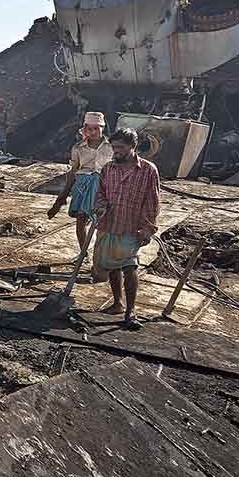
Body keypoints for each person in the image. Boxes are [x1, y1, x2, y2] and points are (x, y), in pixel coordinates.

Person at [93, 128, 160, 328]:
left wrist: (148, 228)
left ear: (133, 146)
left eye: (121, 148)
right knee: (113, 266)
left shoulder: (148, 170)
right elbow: (101, 194)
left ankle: (131, 311)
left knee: (130, 266)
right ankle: (117, 303)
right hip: (109, 224)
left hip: (132, 226)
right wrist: (100, 206)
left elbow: (153, 201)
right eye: (114, 147)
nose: (116, 151)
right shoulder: (108, 169)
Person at [47, 111, 112, 251]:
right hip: (82, 185)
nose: (93, 132)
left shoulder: (111, 146)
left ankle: (100, 254)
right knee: (81, 218)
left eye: (96, 128)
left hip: (103, 186)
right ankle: (83, 253)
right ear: (85, 128)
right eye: (89, 128)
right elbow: (73, 172)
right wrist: (61, 198)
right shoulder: (78, 148)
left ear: (102, 128)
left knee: (102, 221)